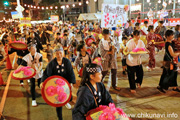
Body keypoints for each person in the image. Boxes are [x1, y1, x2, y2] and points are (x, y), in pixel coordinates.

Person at [40, 45, 76, 120]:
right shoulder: (52, 63)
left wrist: (71, 83)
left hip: (65, 85)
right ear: (54, 54)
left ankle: (66, 102)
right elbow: (46, 73)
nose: (59, 55)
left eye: (60, 53)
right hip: (56, 87)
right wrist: (42, 81)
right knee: (58, 103)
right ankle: (60, 118)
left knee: (69, 98)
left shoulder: (67, 62)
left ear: (63, 53)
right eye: (57, 53)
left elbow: (71, 73)